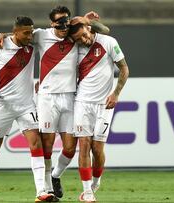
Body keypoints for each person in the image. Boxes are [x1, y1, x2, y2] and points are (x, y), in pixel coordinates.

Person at [0, 6, 110, 199]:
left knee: (70, 148)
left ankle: (55, 176)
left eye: (66, 21)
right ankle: (46, 189)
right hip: (47, 98)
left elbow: (104, 31)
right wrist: (1, 35)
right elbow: (20, 33)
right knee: (46, 147)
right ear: (52, 23)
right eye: (60, 22)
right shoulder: (41, 35)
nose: (64, 26)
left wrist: (86, 21)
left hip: (70, 96)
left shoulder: (74, 35)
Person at [0, 16, 57, 202]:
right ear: (16, 32)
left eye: (31, 32)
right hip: (3, 105)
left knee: (36, 144)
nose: (30, 36)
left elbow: (52, 33)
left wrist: (3, 33)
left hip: (27, 105)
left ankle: (41, 191)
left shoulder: (31, 45)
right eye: (26, 32)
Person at [68, 19, 129, 202]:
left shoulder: (108, 42)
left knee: (97, 148)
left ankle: (96, 182)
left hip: (104, 104)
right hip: (82, 103)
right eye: (79, 39)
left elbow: (124, 68)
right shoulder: (74, 48)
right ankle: (87, 191)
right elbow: (46, 36)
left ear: (89, 28)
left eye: (85, 35)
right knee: (84, 146)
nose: (84, 40)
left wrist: (116, 93)